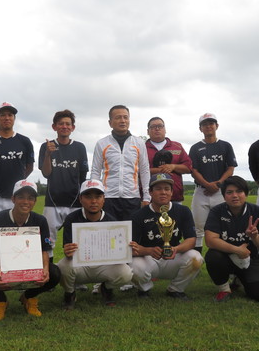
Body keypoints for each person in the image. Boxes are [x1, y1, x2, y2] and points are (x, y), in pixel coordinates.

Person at [0, 180, 61, 320]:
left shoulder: (40, 220)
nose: (25, 202)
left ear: (35, 201)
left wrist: (45, 268)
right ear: (13, 199)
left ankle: (28, 297)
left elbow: (44, 250)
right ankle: (1, 301)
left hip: (31, 266)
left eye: (30, 198)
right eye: (21, 197)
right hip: (5, 267)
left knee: (54, 273)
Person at [57, 180, 133, 309]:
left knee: (126, 272)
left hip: (103, 266)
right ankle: (70, 293)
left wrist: (125, 250)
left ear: (104, 199)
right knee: (63, 266)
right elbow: (68, 252)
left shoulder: (111, 221)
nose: (93, 201)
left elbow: (116, 250)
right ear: (81, 199)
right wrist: (68, 251)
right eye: (88, 197)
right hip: (81, 267)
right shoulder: (71, 218)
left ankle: (106, 289)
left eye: (98, 197)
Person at [129, 174, 203, 300]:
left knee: (196, 258)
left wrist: (176, 249)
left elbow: (191, 240)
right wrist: (148, 250)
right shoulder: (138, 215)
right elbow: (132, 247)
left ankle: (176, 289)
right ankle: (144, 289)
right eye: (158, 189)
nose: (163, 192)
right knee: (133, 266)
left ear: (172, 192)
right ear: (150, 192)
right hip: (149, 259)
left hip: (173, 256)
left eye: (167, 189)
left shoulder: (183, 211)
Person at [204, 176, 259, 303]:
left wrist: (255, 237)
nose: (235, 196)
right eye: (229, 192)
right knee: (213, 256)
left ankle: (240, 279)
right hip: (224, 257)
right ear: (224, 196)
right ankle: (224, 289)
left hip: (250, 257)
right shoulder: (217, 211)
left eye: (239, 191)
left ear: (246, 194)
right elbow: (210, 240)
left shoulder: (258, 212)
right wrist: (237, 250)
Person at [38, 110, 89, 260]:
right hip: (52, 202)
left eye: (68, 124)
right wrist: (48, 154)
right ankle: (48, 271)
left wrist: (82, 199)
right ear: (54, 127)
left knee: (77, 241)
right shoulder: (47, 146)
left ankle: (76, 273)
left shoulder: (79, 147)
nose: (64, 126)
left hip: (74, 202)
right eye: (61, 124)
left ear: (73, 127)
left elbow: (82, 176)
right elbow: (46, 173)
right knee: (47, 241)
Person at [91, 105, 151, 220]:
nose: (123, 121)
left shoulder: (139, 143)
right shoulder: (102, 143)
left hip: (132, 198)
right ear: (110, 123)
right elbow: (95, 171)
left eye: (125, 117)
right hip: (108, 198)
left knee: (132, 230)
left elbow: (144, 170)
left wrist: (146, 197)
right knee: (109, 231)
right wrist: (96, 195)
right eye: (118, 117)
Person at [188, 113, 237, 252]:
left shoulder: (225, 146)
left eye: (211, 123)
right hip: (201, 191)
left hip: (221, 192)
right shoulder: (195, 148)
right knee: (198, 228)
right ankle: (197, 259)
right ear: (200, 128)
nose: (208, 126)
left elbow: (230, 168)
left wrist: (218, 184)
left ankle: (223, 258)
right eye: (205, 124)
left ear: (217, 126)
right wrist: (207, 184)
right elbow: (193, 170)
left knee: (224, 226)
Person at [145, 117, 192, 204]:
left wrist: (173, 167)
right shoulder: (141, 148)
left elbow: (188, 168)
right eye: (153, 127)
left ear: (165, 129)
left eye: (160, 126)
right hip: (149, 199)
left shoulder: (177, 146)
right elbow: (136, 171)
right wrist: (160, 170)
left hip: (174, 197)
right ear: (148, 131)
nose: (157, 129)